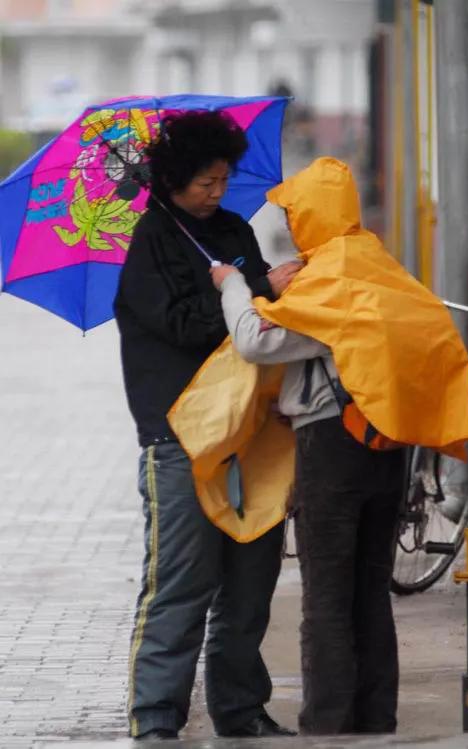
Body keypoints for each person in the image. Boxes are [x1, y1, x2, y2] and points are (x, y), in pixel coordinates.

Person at [114, 110, 300, 741]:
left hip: (252, 432)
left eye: (223, 178)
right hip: (181, 439)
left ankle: (240, 707)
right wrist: (249, 287)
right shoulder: (150, 244)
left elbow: (262, 327)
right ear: (172, 179)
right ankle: (157, 715)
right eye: (204, 182)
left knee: (251, 582)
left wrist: (259, 290)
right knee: (182, 583)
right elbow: (186, 326)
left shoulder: (232, 231)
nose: (216, 192)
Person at [210, 157, 406, 735]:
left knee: (325, 594)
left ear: (314, 215)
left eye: (296, 213)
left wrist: (235, 287)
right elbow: (346, 350)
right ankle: (376, 721)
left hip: (332, 448)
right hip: (388, 443)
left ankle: (327, 725)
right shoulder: (379, 264)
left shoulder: (326, 278)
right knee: (371, 590)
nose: (292, 226)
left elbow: (254, 341)